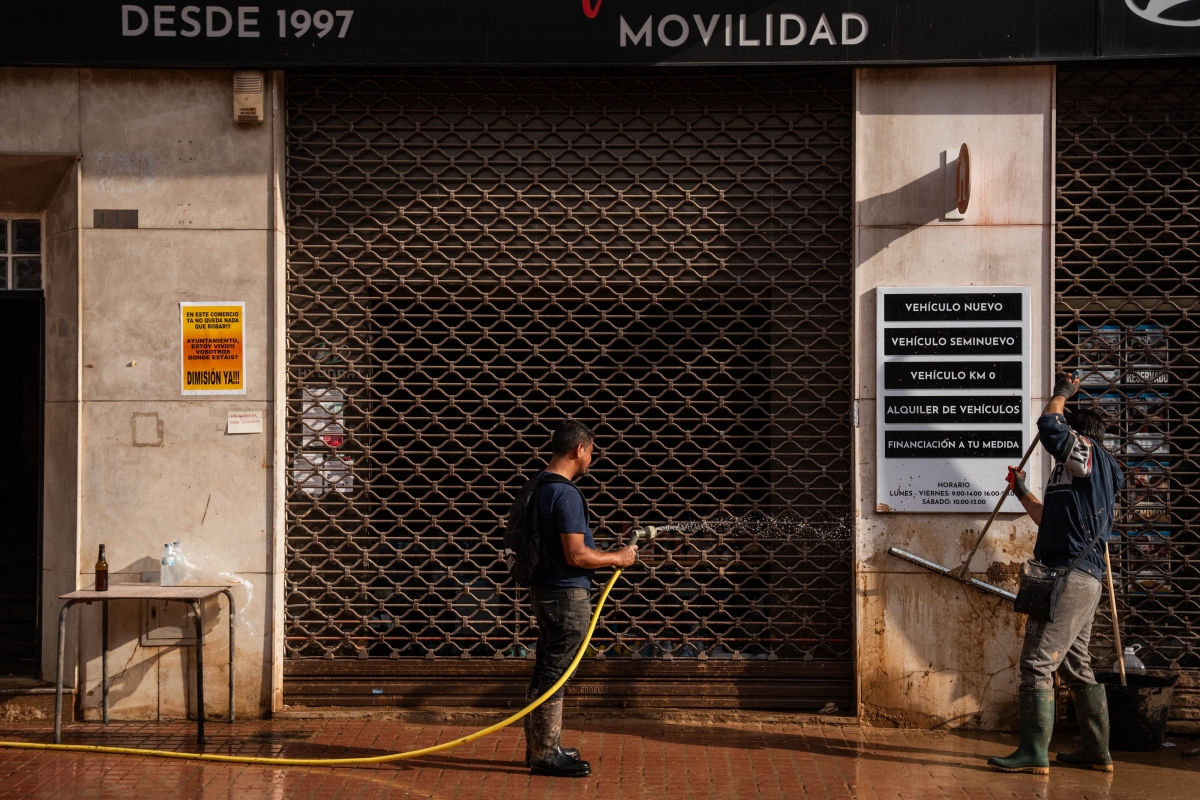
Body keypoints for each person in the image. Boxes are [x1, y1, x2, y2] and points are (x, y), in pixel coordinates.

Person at [988, 372, 1124, 774]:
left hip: (1071, 577)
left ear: (1080, 436)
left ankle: (1033, 753)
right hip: (1079, 580)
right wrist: (1022, 490)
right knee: (1074, 663)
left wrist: (1062, 393)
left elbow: (1049, 424)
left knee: (1036, 663)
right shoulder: (1077, 474)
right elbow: (1048, 519)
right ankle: (1097, 752)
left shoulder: (1087, 453)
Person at [523, 419, 638, 778]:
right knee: (557, 672)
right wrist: (618, 557)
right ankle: (546, 754)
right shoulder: (566, 494)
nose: (592, 458)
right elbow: (577, 555)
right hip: (566, 595)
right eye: (592, 451)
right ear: (579, 450)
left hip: (544, 592)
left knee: (546, 667)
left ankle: (541, 746)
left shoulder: (537, 486)